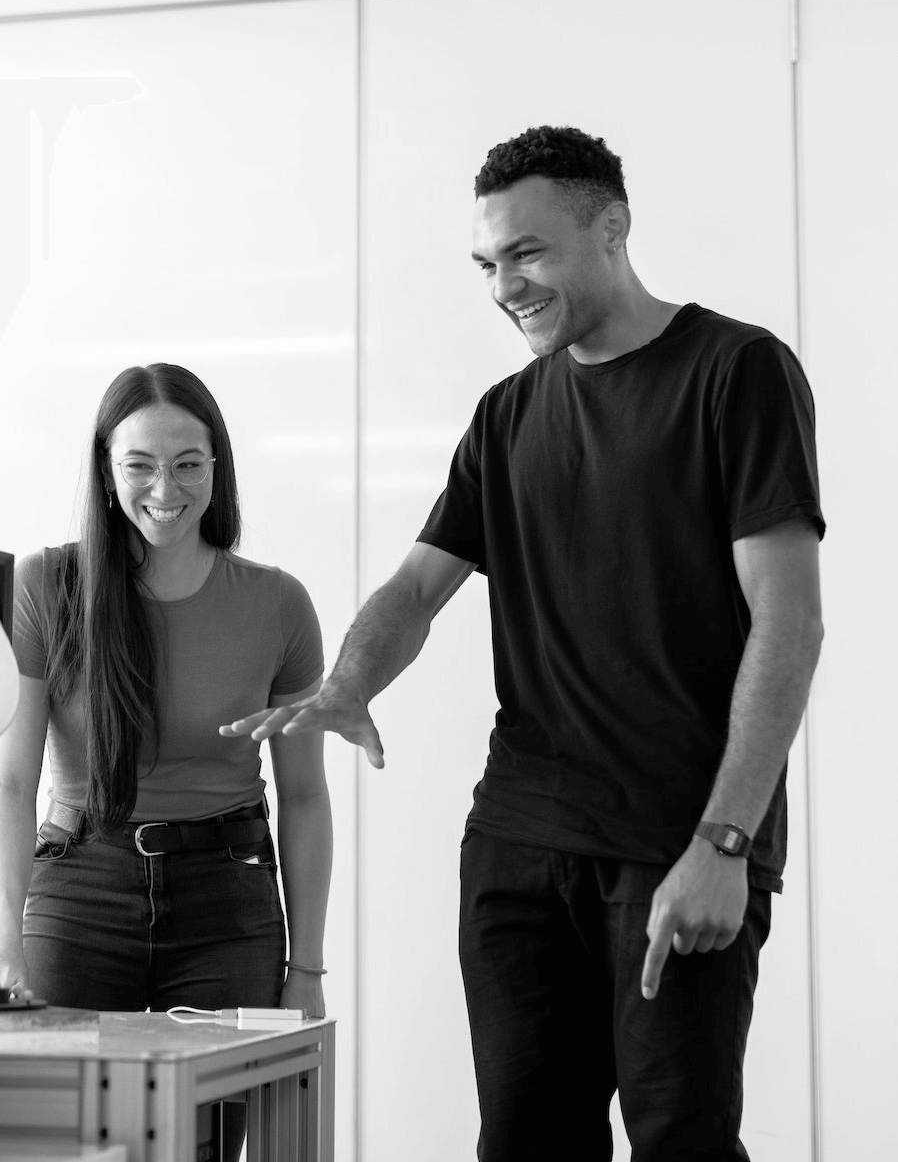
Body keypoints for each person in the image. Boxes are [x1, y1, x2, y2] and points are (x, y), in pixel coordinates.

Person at [222, 126, 824, 1160]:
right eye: (488, 263)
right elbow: (418, 586)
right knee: (524, 1141)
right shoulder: (507, 414)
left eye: (528, 253)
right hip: (520, 842)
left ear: (612, 228)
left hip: (679, 842)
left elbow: (790, 620)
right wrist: (349, 680)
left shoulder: (736, 371)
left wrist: (725, 843)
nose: (505, 286)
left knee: (681, 1140)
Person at [0, 362, 332, 1029]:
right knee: (63, 1094)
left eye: (188, 464)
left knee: (217, 1102)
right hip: (80, 887)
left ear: (217, 467)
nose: (165, 489)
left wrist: (306, 969)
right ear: (106, 470)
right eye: (139, 465)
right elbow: (9, 784)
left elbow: (306, 794)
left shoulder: (279, 605)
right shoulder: (43, 586)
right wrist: (3, 951)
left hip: (228, 896)